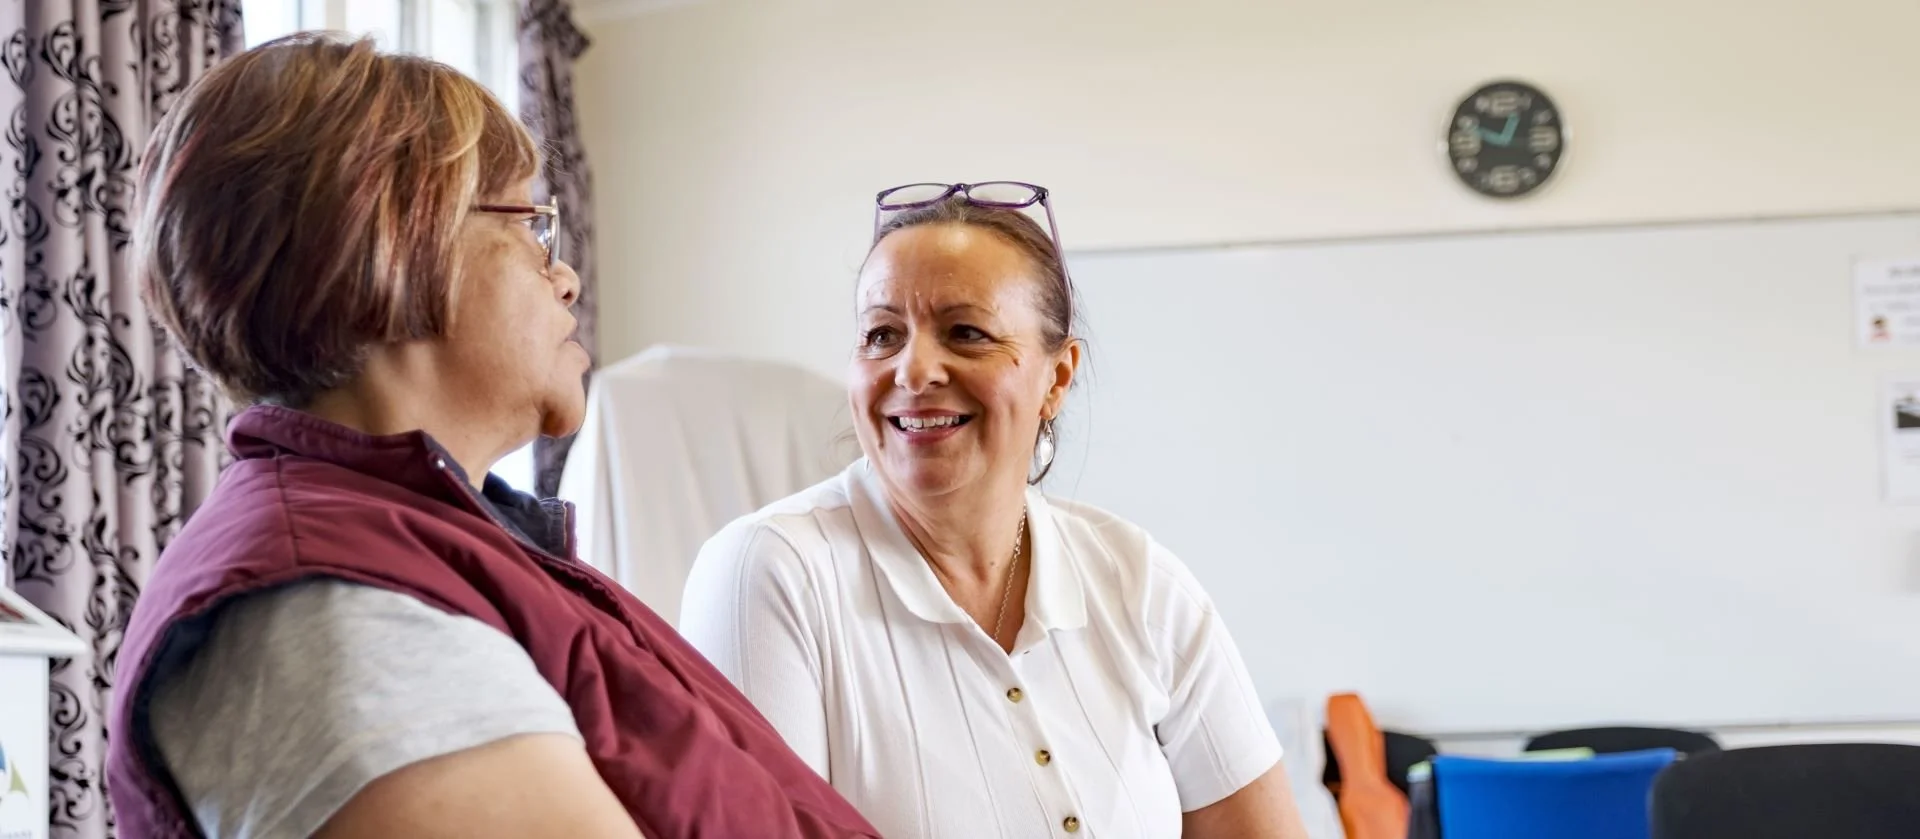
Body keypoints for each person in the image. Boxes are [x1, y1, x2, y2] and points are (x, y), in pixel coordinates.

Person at [106, 34, 880, 839]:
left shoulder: (435, 547)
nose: (567, 274)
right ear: (395, 244)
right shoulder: (328, 608)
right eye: (527, 224)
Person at [680, 182, 1311, 838]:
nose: (913, 369)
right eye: (881, 334)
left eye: (966, 332)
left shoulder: (1139, 579)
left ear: (1057, 377)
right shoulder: (769, 572)